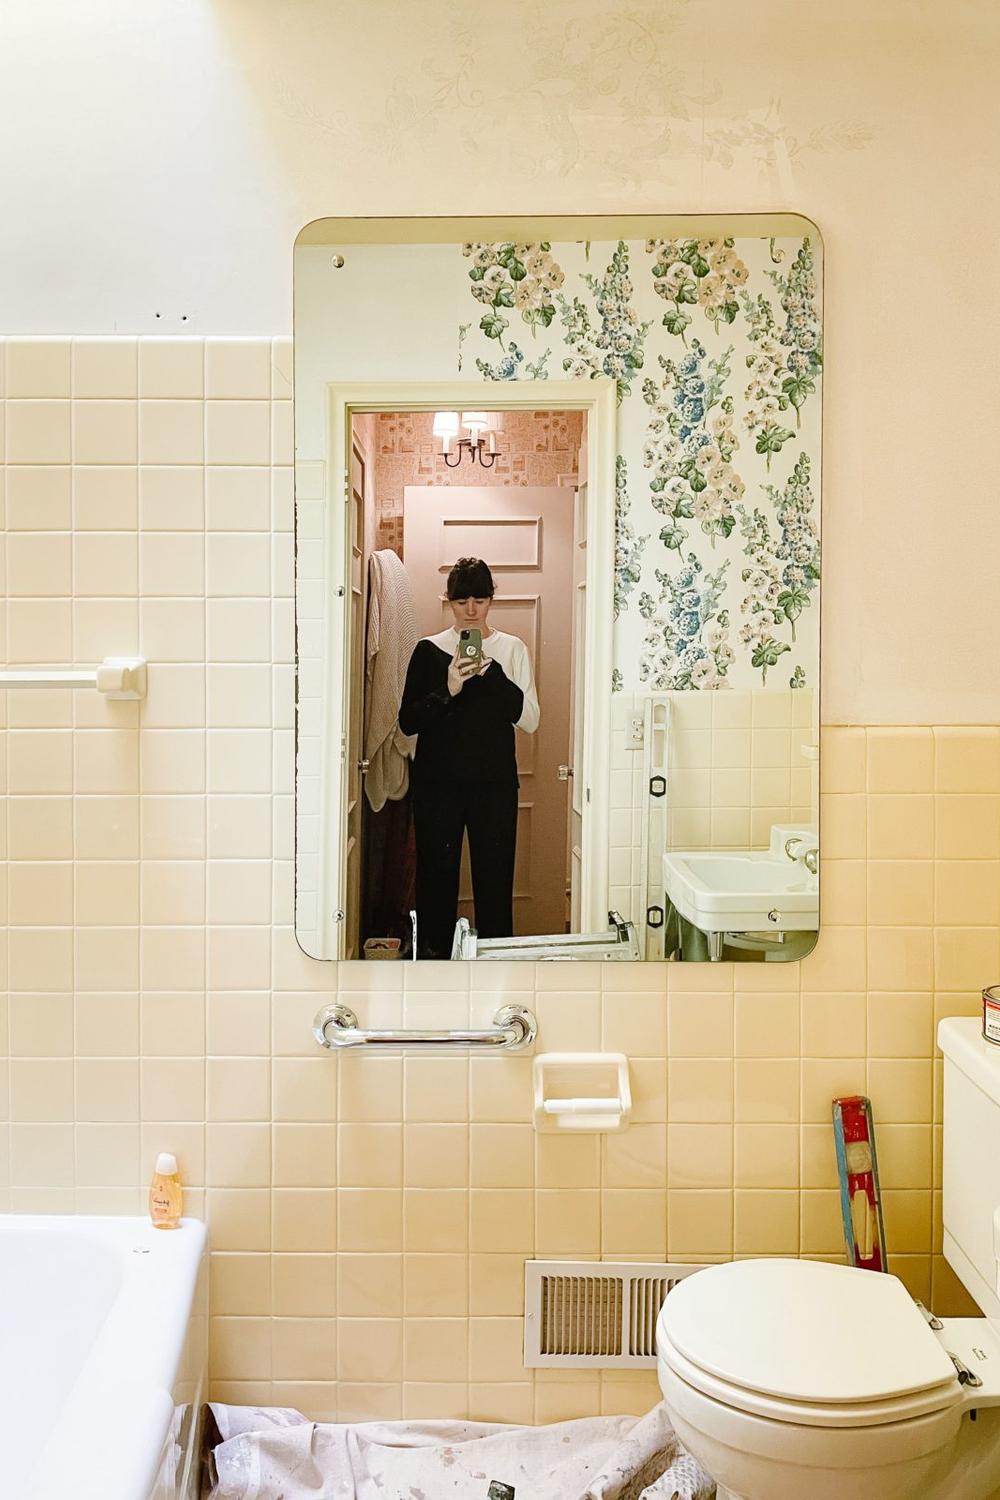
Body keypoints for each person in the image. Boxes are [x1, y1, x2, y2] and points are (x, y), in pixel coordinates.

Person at [399, 557, 539, 958]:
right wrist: (449, 688)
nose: (472, 610)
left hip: (493, 787)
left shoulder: (511, 650)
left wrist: (492, 676)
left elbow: (530, 719)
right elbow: (408, 722)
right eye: (462, 601)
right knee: (435, 885)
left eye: (480, 599)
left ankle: (497, 975)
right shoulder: (428, 651)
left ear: (492, 599)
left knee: (495, 887)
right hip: (436, 788)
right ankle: (433, 974)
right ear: (449, 601)